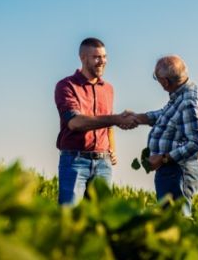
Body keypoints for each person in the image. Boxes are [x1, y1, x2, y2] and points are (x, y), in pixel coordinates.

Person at [54, 37, 137, 205]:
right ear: (83, 58)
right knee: (70, 217)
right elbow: (75, 123)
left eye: (104, 57)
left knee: (100, 220)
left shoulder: (108, 89)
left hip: (103, 164)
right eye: (97, 57)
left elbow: (107, 123)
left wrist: (111, 148)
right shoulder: (66, 86)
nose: (102, 61)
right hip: (74, 161)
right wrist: (117, 118)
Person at [131, 55, 198, 216]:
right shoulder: (181, 95)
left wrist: (163, 158)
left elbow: (197, 144)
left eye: (157, 78)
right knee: (169, 220)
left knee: (176, 222)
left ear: (165, 82)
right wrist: (138, 118)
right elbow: (165, 116)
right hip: (173, 171)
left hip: (177, 171)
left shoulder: (189, 101)